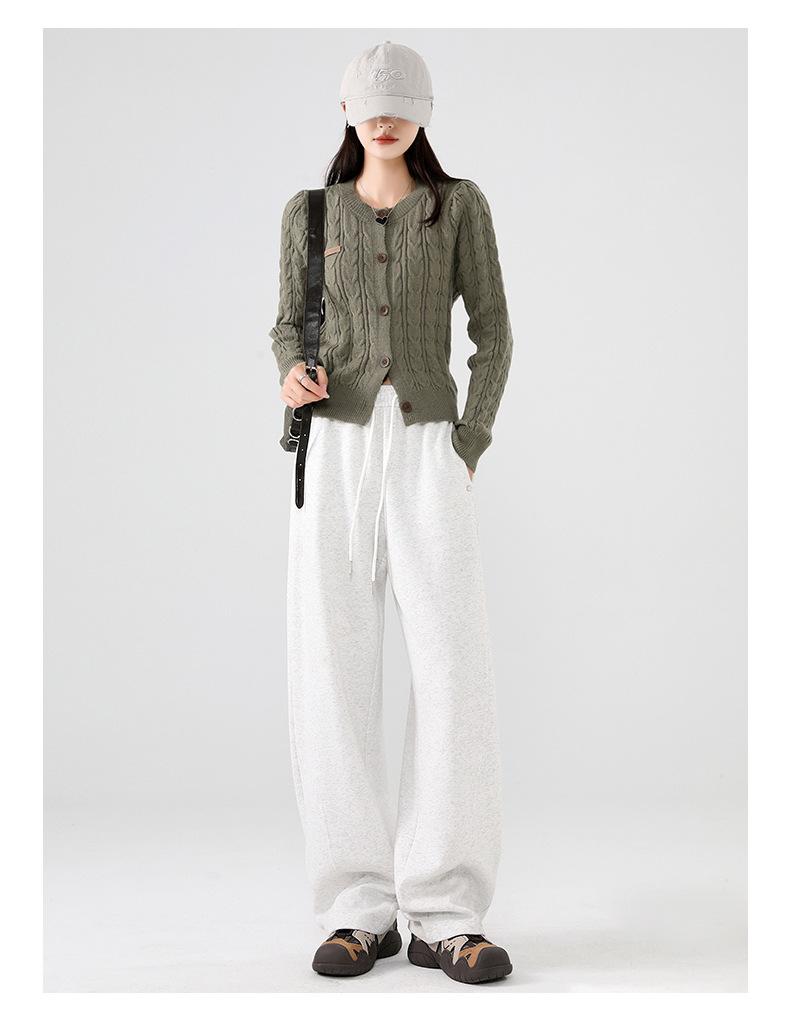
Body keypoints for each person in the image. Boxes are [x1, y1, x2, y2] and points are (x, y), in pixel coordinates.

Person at [269, 40, 514, 985]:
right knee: (330, 667)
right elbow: (287, 326)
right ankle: (356, 907)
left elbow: (493, 330)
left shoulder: (458, 207)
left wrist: (469, 438)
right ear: (346, 108)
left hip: (426, 443)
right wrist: (291, 373)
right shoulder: (310, 212)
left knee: (452, 667)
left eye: (402, 102)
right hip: (332, 450)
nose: (385, 117)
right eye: (371, 102)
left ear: (424, 112)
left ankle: (446, 911)